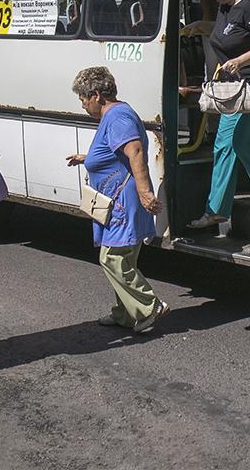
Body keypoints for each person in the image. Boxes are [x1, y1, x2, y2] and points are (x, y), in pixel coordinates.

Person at [66, 67, 169, 334]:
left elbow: (134, 151)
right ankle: (125, 314)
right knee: (125, 258)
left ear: (97, 95)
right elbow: (114, 153)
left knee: (112, 258)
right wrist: (85, 158)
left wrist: (146, 192)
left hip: (124, 201)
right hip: (119, 200)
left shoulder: (118, 116)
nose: (83, 104)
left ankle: (149, 307)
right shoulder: (114, 115)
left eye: (83, 99)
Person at [187, 0, 250, 231]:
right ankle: (217, 210)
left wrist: (240, 61)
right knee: (223, 146)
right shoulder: (227, 7)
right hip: (233, 90)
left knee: (242, 143)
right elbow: (228, 30)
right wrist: (203, 25)